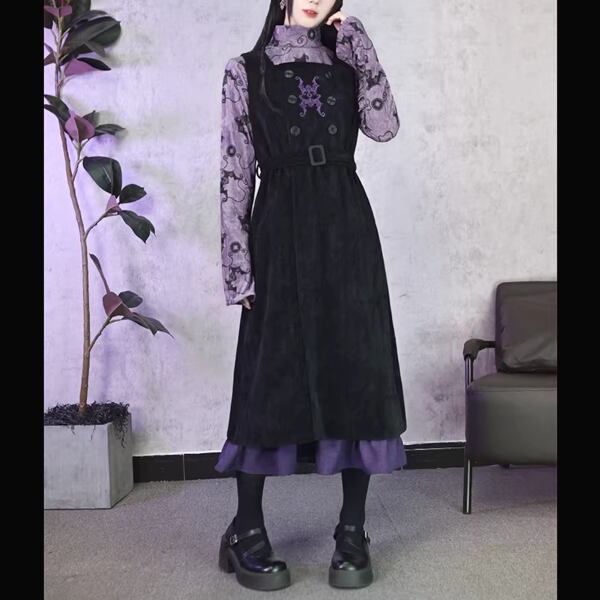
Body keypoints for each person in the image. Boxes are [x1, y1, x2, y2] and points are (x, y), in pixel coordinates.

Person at [217, 0, 407, 590]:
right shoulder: (246, 70)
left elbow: (385, 127)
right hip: (278, 230)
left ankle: (352, 531)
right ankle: (247, 530)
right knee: (267, 382)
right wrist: (238, 268)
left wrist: (362, 48)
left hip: (346, 231)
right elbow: (234, 171)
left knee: (357, 373)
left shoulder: (347, 64)